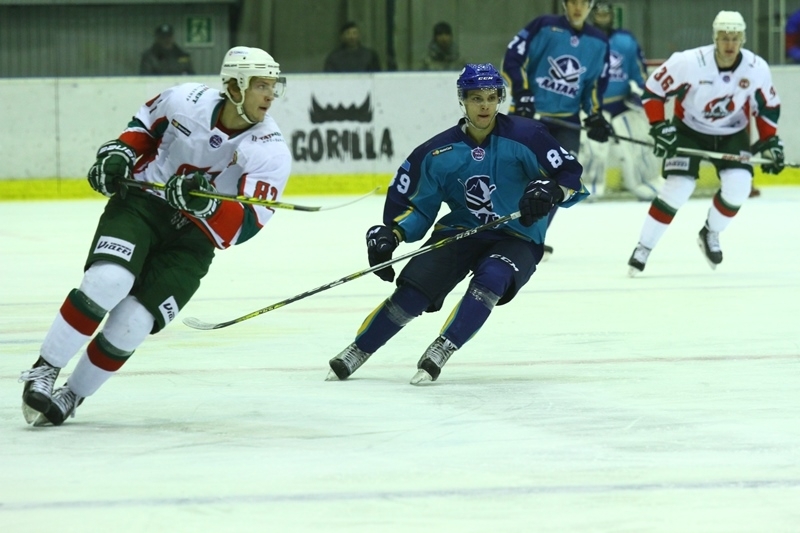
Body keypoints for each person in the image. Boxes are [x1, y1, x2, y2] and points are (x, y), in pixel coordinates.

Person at [19, 46, 291, 426]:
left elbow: (247, 224)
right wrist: (119, 154)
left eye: (273, 86)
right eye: (261, 85)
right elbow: (144, 126)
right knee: (109, 280)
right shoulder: (186, 100)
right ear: (234, 86)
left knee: (134, 321)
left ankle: (72, 395)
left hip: (194, 239)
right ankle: (45, 370)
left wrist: (207, 205)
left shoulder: (270, 150)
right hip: (144, 203)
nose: (270, 95)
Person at [326, 64, 588, 385]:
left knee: (492, 278)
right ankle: (359, 349)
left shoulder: (528, 136)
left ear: (500, 98)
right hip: (462, 232)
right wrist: (392, 233)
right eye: (476, 98)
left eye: (491, 97)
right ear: (462, 99)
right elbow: (416, 208)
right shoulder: (436, 153)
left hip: (518, 235)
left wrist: (553, 191)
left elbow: (572, 179)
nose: (485, 106)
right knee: (414, 290)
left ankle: (443, 347)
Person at [627, 11, 784, 276]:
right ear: (715, 38)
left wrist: (769, 140)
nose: (730, 44)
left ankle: (710, 232)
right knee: (678, 187)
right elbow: (653, 90)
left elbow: (767, 107)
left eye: (735, 38)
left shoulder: (756, 67)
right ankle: (643, 247)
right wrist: (659, 126)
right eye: (724, 37)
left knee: (739, 186)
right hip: (689, 129)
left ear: (743, 39)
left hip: (732, 132)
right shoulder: (689, 62)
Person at [502, 0, 611, 260]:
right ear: (564, 4)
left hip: (566, 123)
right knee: (513, 176)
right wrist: (522, 92)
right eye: (572, 1)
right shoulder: (543, 26)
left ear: (590, 6)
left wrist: (594, 116)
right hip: (529, 117)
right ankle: (500, 232)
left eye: (583, 2)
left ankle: (532, 236)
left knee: (561, 179)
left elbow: (594, 85)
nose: (577, 7)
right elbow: (512, 60)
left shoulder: (599, 42)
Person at [581, 1, 662, 200]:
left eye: (606, 14)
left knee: (638, 145)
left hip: (621, 104)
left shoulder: (626, 40)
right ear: (592, 16)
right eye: (599, 15)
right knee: (592, 149)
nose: (603, 18)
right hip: (592, 106)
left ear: (612, 16)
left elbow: (639, 72)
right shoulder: (581, 40)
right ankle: (589, 188)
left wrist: (642, 92)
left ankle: (645, 185)